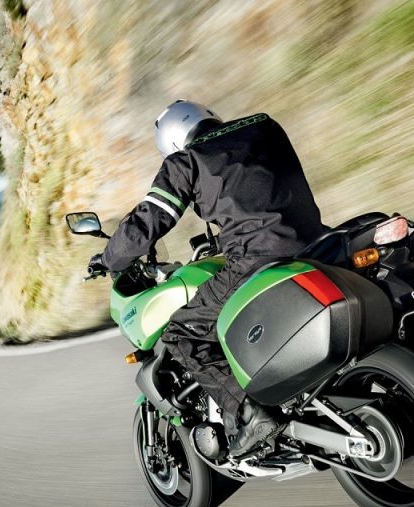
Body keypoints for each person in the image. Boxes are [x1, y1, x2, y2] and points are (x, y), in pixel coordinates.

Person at [91, 100, 324, 456]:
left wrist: (110, 258)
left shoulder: (186, 161)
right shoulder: (264, 125)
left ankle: (249, 415)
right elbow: (257, 188)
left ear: (171, 142)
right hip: (317, 243)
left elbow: (148, 221)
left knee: (182, 333)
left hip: (256, 259)